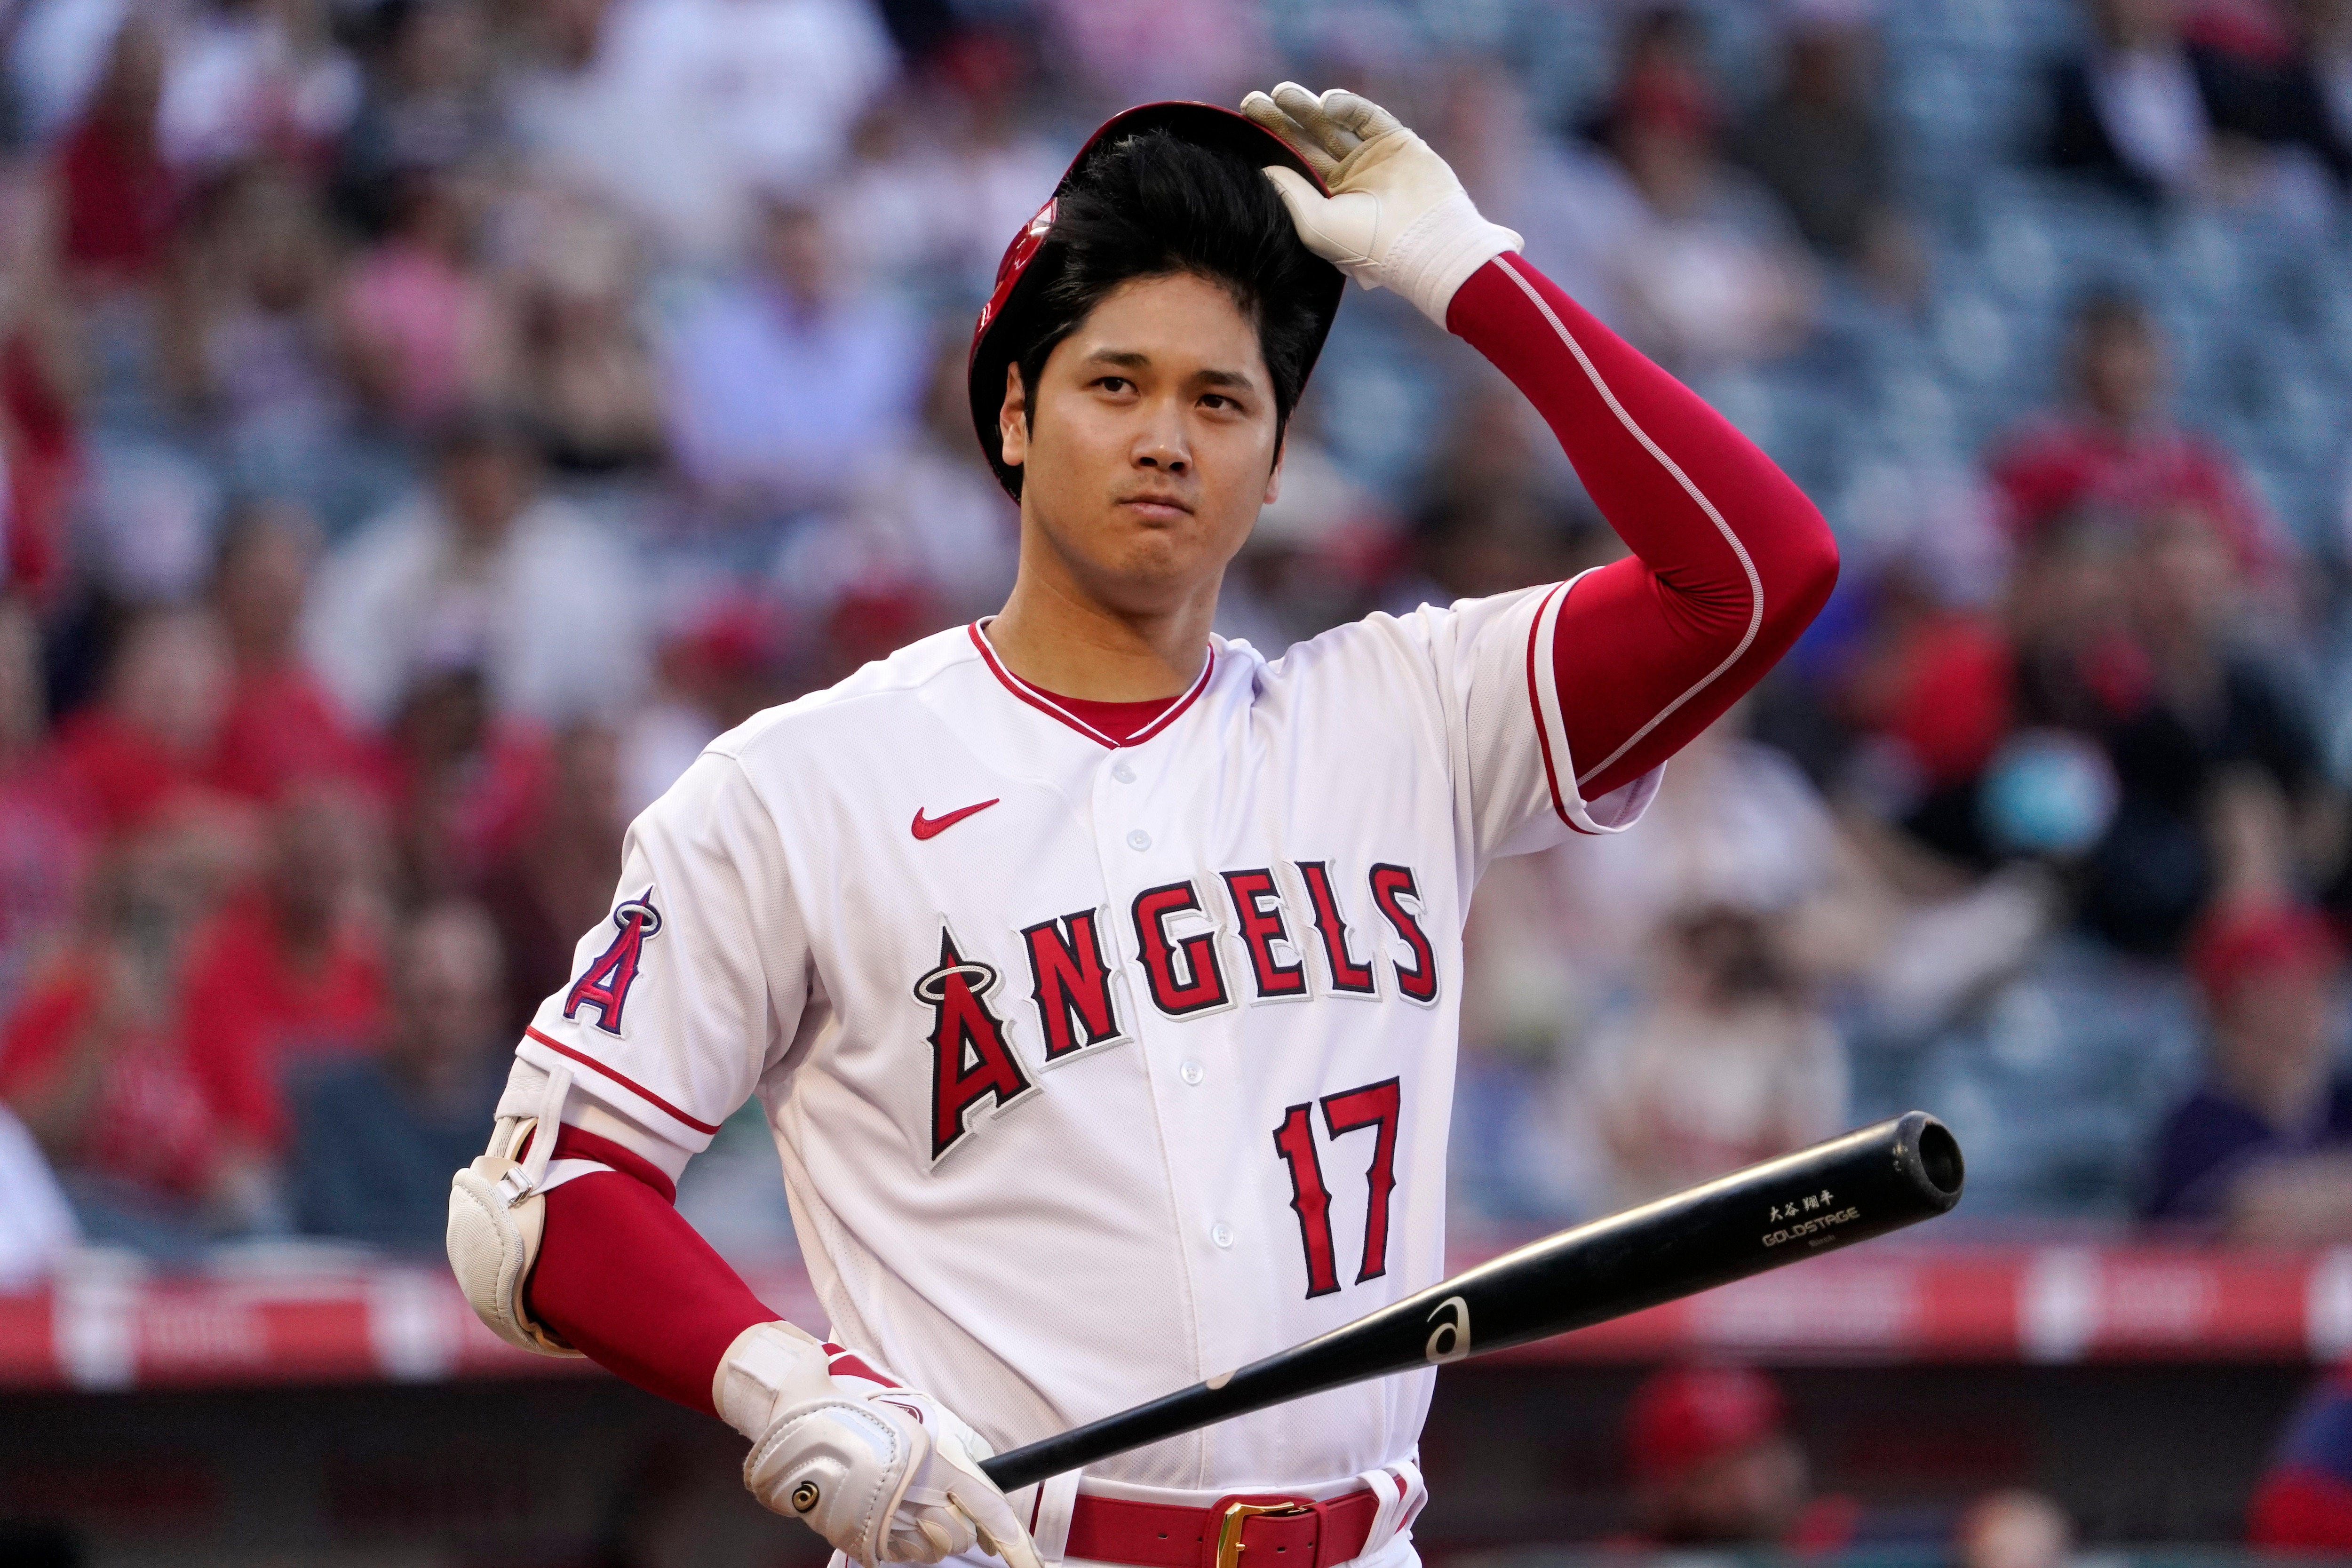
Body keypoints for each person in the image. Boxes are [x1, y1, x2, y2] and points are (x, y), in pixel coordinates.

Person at [446, 88, 1835, 1568]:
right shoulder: (801, 782)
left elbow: (1759, 572)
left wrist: (1467, 271)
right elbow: (537, 1199)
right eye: (1115, 384)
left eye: (1220, 400)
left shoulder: (1408, 716)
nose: (1166, 438)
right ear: (1014, 414)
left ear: (1278, 462)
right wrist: (783, 1378)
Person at [294, 900, 507, 1249]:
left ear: (491, 1010)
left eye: (443, 999)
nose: (427, 1019)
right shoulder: (338, 1104)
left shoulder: (524, 1114)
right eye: (410, 995)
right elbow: (332, 1230)